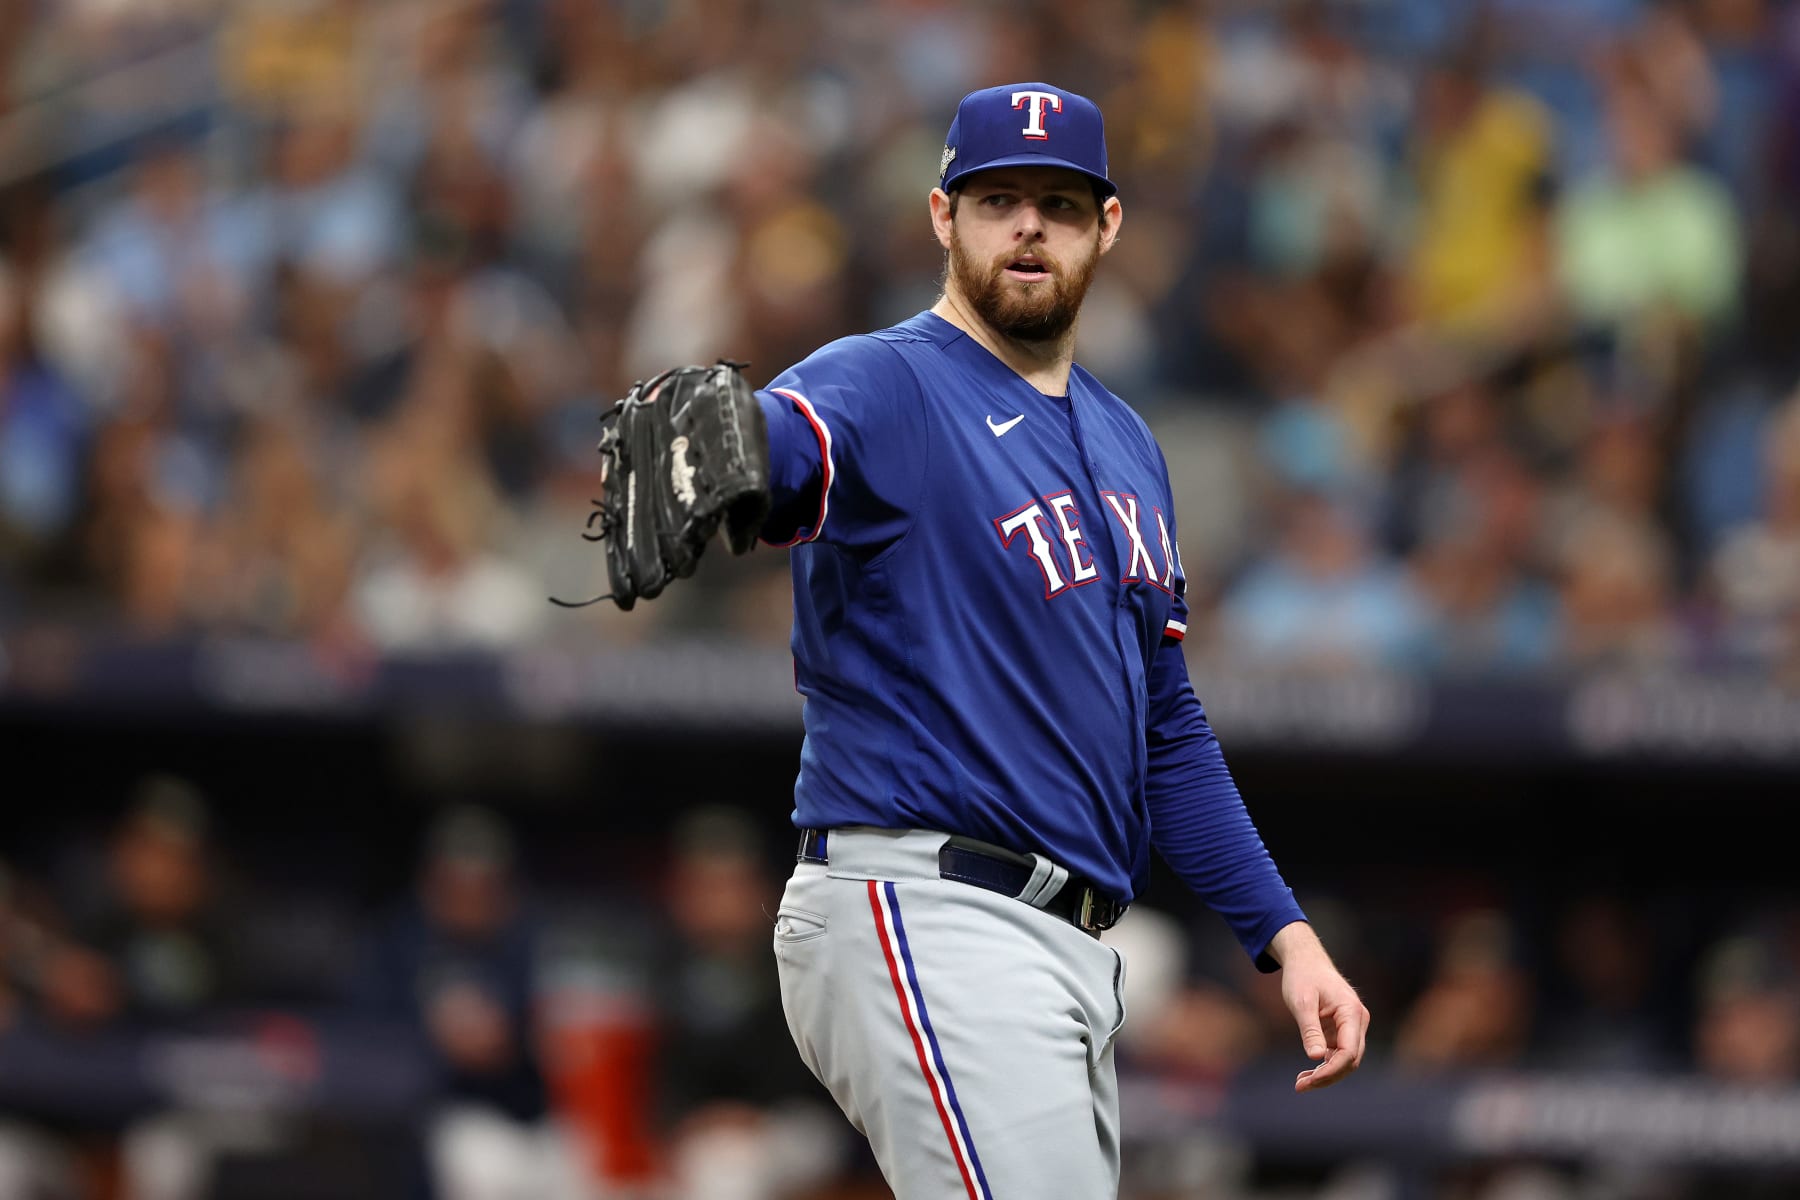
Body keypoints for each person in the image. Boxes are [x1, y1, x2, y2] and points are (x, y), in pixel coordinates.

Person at [618, 81, 1369, 1198]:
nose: (1029, 226)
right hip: (928, 907)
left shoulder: (1127, 444)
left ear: (1106, 227)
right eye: (998, 199)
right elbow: (789, 444)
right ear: (942, 217)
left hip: (1065, 947)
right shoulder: (889, 379)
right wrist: (744, 441)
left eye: (1060, 204)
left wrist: (1285, 935)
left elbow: (1165, 723)